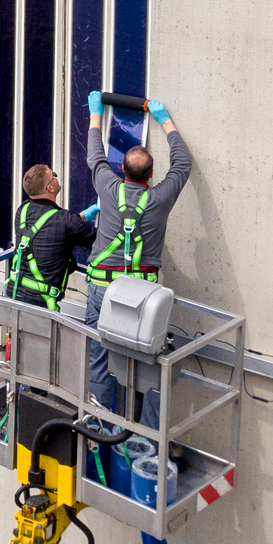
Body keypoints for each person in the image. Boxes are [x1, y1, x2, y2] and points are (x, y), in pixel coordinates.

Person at [82, 91, 193, 416]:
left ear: (123, 169)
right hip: (142, 296)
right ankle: (143, 436)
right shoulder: (160, 199)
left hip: (103, 290)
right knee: (148, 359)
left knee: (100, 355)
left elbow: (95, 157)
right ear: (152, 173)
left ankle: (99, 423)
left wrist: (96, 114)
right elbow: (183, 164)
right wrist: (165, 121)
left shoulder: (107, 185)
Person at [4, 163, 97, 312]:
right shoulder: (65, 221)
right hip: (40, 305)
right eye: (53, 175)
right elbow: (99, 240)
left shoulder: (22, 210)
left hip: (13, 294)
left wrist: (80, 217)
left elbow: (50, 229)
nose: (56, 176)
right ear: (50, 188)